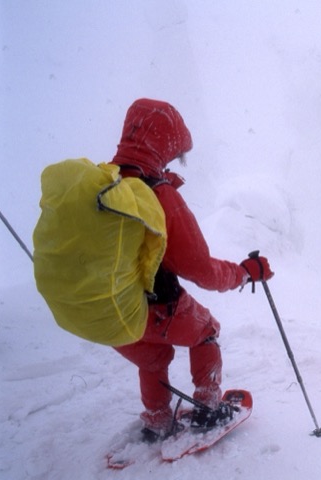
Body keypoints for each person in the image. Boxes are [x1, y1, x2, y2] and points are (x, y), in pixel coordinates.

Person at [109, 98, 273, 443]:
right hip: (156, 306)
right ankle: (207, 407)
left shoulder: (103, 184)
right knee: (206, 331)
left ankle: (156, 420)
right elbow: (202, 271)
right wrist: (246, 272)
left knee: (152, 357)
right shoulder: (158, 195)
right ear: (163, 144)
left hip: (110, 313)